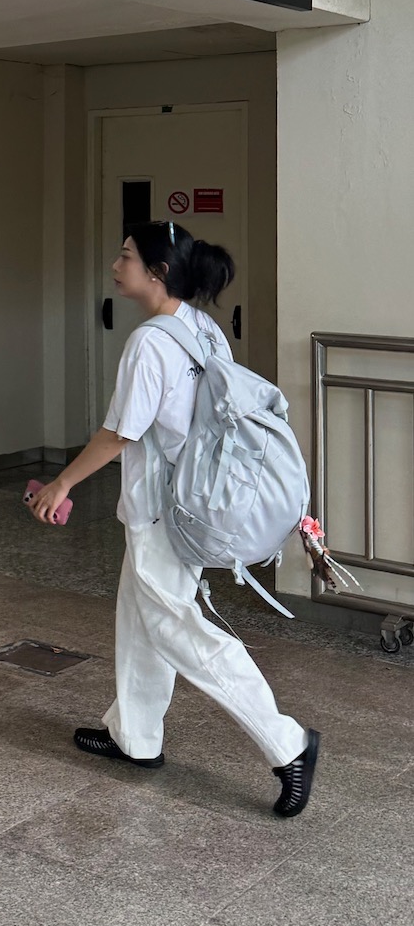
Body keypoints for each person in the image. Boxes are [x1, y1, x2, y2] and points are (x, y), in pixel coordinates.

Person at [28, 221, 319, 818]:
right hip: (189, 501)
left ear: (157, 273)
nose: (117, 262)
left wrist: (61, 482)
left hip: (163, 511)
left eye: (128, 256)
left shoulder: (149, 344)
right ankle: (135, 737)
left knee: (180, 631)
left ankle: (288, 743)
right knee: (141, 617)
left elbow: (118, 434)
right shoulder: (203, 330)